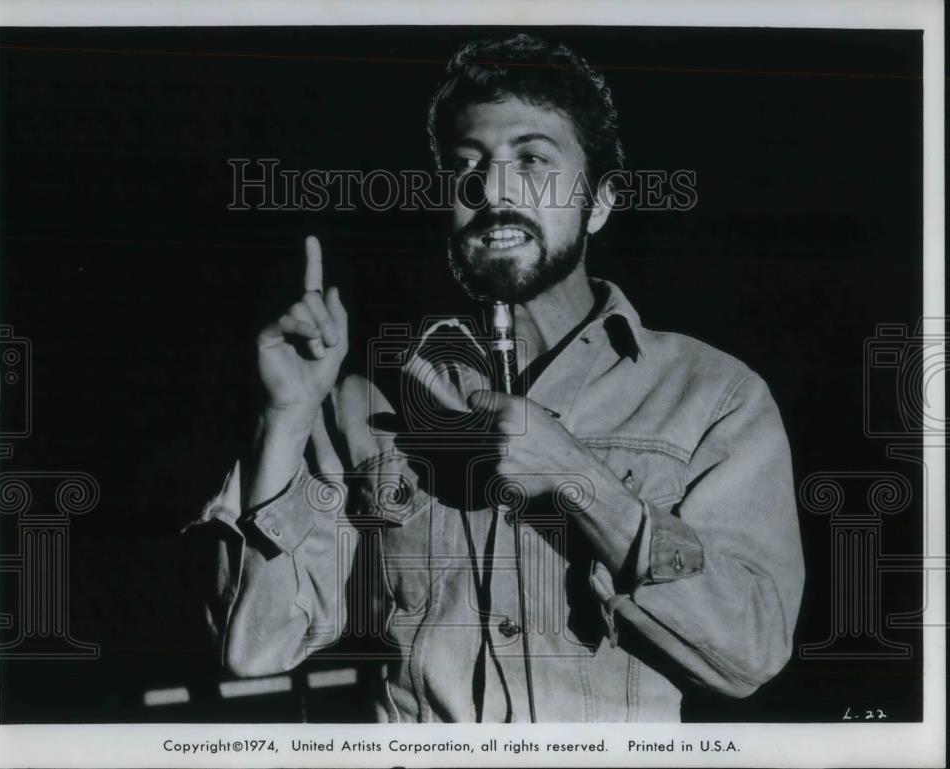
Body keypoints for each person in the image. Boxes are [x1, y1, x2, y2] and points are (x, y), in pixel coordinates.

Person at [190, 33, 805, 723]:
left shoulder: (713, 396)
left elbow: (752, 652)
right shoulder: (366, 403)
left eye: (533, 159)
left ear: (601, 202)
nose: (493, 188)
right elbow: (256, 647)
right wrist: (284, 418)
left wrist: (580, 479)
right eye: (467, 165)